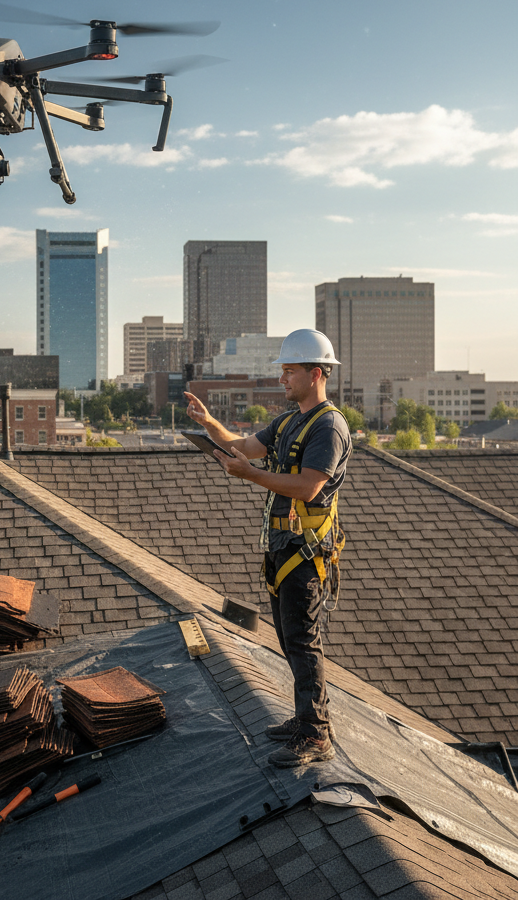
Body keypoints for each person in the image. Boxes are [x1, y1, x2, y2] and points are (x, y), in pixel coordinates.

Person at [184, 329, 351, 767]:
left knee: (303, 639)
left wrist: (251, 476)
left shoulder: (328, 426)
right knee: (288, 637)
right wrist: (208, 425)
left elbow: (309, 487)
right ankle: (304, 719)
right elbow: (243, 446)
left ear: (316, 373)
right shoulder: (289, 421)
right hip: (282, 546)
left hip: (305, 549)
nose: (282, 378)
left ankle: (316, 735)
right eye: (282, 371)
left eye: (289, 371)